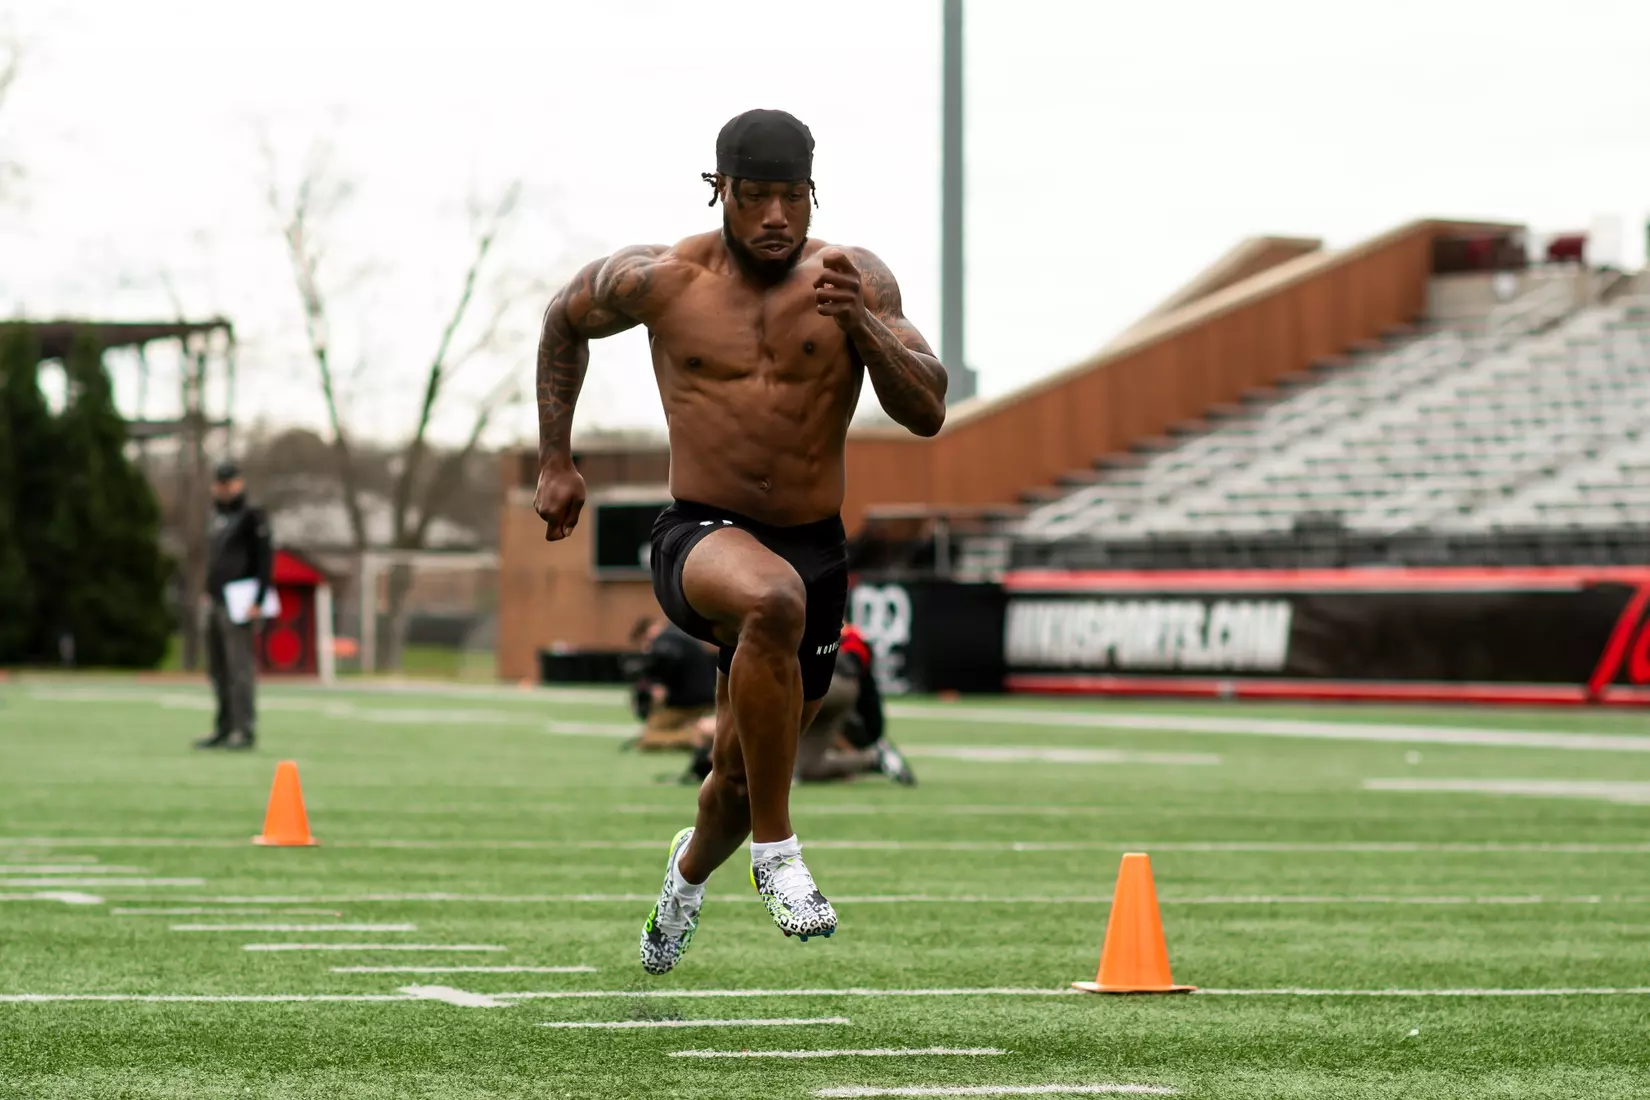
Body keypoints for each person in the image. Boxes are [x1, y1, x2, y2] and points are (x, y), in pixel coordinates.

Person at [532, 108, 948, 974]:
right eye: (755, 197)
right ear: (719, 190)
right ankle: (779, 853)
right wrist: (556, 461)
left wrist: (862, 330)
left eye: (791, 198)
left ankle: (682, 884)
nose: (774, 219)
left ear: (812, 195)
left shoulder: (855, 278)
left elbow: (929, 411)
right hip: (701, 535)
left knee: (733, 776)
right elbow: (562, 321)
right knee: (770, 600)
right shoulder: (659, 278)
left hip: (814, 547)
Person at [194, 461, 272, 751]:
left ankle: (244, 729)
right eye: (219, 484)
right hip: (215, 599)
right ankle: (223, 727)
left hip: (239, 602)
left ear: (239, 483)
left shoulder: (252, 515)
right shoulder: (216, 514)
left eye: (228, 483)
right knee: (218, 668)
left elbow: (265, 559)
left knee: (239, 668)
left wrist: (259, 600)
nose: (224, 489)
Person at [793, 623, 915, 786]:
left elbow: (853, 672)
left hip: (840, 691)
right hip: (832, 696)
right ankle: (873, 759)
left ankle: (771, 768)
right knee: (810, 769)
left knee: (780, 694)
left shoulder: (848, 636)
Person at [628, 615, 717, 752]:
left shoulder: (664, 642)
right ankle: (698, 730)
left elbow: (666, 659)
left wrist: (657, 683)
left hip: (684, 704)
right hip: (705, 701)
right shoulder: (683, 636)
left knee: (648, 737)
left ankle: (694, 736)